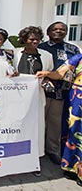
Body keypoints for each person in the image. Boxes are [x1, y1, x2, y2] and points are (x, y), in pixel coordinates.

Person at [38, 22, 81, 165]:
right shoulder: (39, 47)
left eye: (62, 30)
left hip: (61, 93)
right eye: (55, 29)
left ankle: (52, 151)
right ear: (48, 32)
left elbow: (75, 70)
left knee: (54, 124)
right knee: (37, 122)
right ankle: (35, 150)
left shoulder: (73, 49)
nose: (58, 31)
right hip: (39, 91)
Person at [36, 53, 82, 186]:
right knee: (74, 133)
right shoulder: (78, 58)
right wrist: (46, 73)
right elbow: (59, 74)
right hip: (77, 101)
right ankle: (72, 168)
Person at [13, 27, 54, 170]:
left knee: (36, 127)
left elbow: (49, 74)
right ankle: (17, 158)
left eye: (37, 39)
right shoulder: (15, 54)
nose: (34, 41)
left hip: (37, 97)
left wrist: (46, 79)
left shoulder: (46, 55)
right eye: (31, 39)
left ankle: (35, 159)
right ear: (24, 40)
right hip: (18, 98)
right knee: (18, 126)